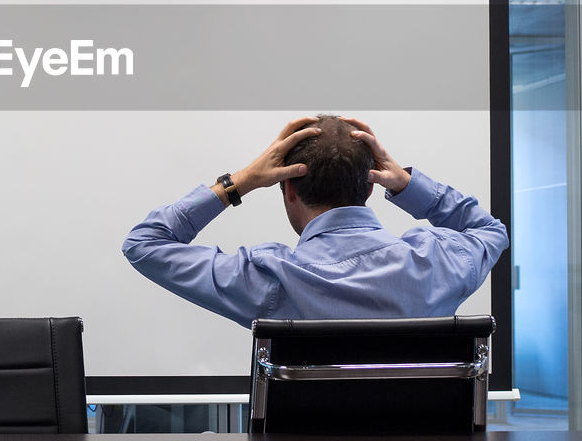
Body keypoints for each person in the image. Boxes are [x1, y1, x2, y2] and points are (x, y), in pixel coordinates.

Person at [122, 115, 508, 327]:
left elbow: (144, 244)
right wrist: (408, 184)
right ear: (372, 187)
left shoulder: (269, 278)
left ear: (288, 189)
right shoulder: (436, 262)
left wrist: (238, 182)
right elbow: (490, 230)